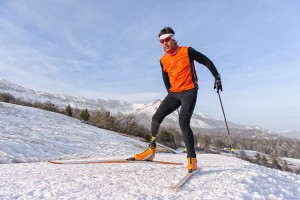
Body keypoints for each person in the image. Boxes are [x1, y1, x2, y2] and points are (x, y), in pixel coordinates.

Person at [129, 26, 222, 172]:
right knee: (156, 117)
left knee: (183, 122)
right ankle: (151, 150)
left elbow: (206, 61)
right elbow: (165, 78)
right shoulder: (163, 60)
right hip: (174, 93)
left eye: (167, 40)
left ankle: (192, 159)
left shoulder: (187, 51)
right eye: (162, 41)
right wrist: (170, 93)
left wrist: (217, 76)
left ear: (173, 39)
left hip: (190, 91)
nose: (165, 43)